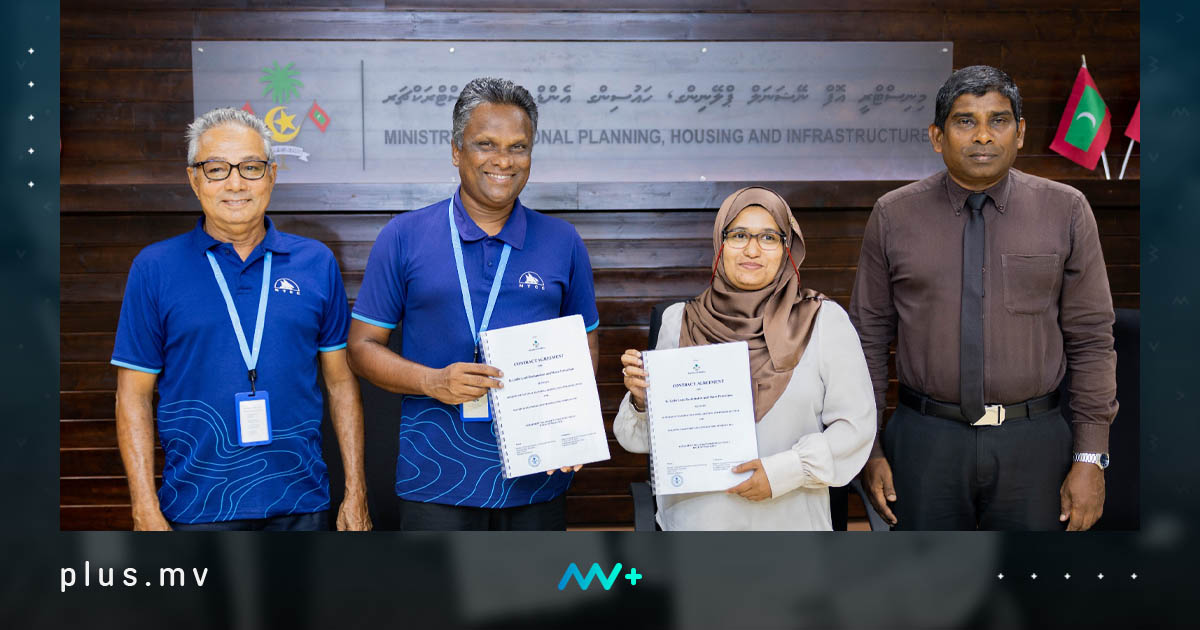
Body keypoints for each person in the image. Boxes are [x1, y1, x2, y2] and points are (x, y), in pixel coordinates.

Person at [850, 65, 1117, 531]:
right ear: (937, 136)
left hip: (1035, 445)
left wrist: (1091, 456)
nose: (983, 136)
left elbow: (1092, 339)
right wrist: (868, 449)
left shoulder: (1066, 210)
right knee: (926, 577)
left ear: (1020, 133)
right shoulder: (893, 216)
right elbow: (866, 342)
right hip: (925, 443)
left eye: (998, 120)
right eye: (965, 121)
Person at [347, 77, 600, 531]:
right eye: (486, 144)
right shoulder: (403, 236)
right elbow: (361, 349)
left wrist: (570, 427)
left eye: (518, 147)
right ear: (456, 150)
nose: (503, 160)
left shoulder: (562, 241)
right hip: (435, 480)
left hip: (537, 478)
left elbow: (586, 345)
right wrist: (432, 381)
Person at [111, 107, 371, 531]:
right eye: (216, 169)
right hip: (196, 508)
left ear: (271, 175)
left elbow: (341, 383)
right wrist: (143, 507)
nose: (235, 183)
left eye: (250, 167)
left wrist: (356, 491)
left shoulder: (316, 262)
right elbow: (132, 396)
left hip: (301, 502)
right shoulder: (154, 268)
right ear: (194, 179)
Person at [613, 187, 876, 530]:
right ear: (720, 243)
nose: (752, 250)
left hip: (789, 526)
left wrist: (783, 472)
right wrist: (642, 401)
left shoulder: (823, 320)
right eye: (738, 235)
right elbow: (643, 442)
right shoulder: (680, 321)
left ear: (787, 248)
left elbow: (855, 427)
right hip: (698, 526)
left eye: (768, 237)